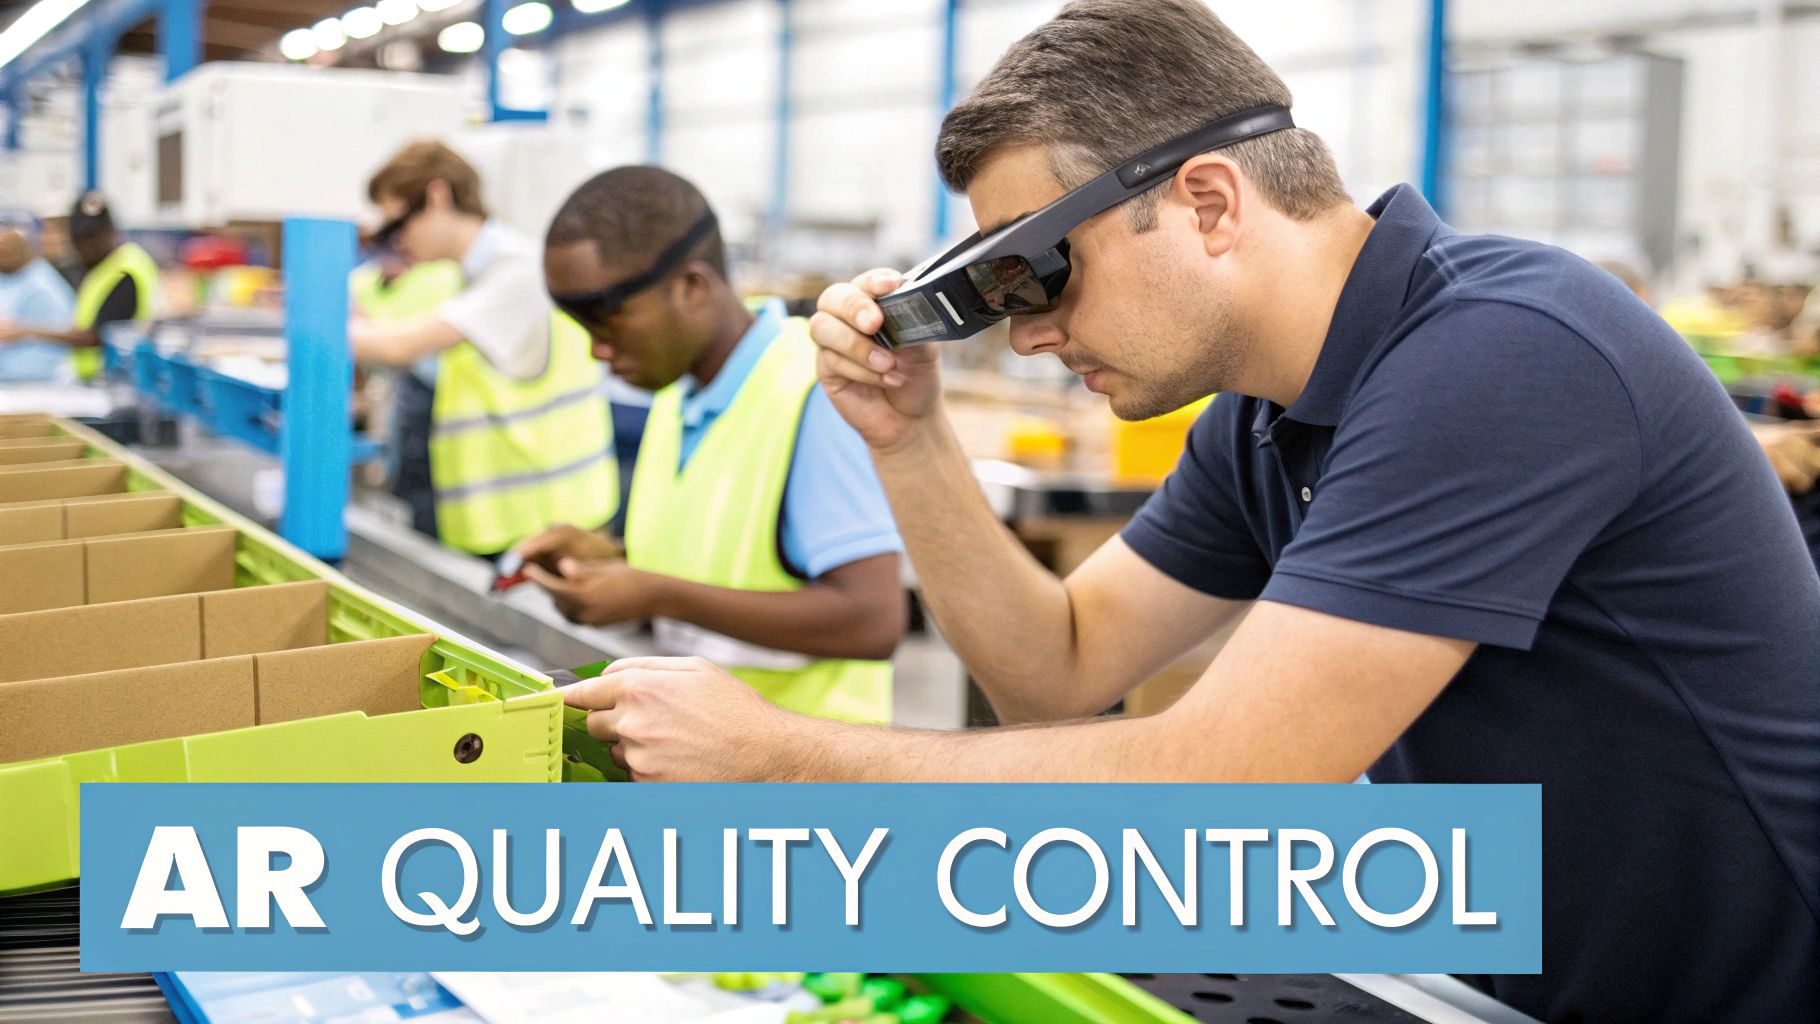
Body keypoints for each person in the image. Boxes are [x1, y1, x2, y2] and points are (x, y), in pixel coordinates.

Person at [556, 3, 1820, 1021]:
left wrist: (790, 759)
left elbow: (1226, 773)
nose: (1035, 331)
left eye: (1042, 270)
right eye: (995, 292)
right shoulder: (1266, 413)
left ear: (1209, 201)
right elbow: (1057, 670)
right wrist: (909, 437)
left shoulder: (1501, 351)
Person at [517, 166, 905, 724]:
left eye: (609, 323)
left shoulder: (815, 391)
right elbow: (729, 556)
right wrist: (607, 561)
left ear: (692, 287)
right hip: (708, 756)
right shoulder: (680, 391)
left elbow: (872, 620)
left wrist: (654, 593)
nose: (597, 352)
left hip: (808, 775)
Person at [351, 141, 616, 557]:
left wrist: (313, 327)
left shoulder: (518, 271)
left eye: (397, 225)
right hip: (512, 527)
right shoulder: (470, 275)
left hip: (548, 528)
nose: (396, 242)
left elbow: (402, 346)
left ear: (437, 197)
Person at [0, 194, 157, 381]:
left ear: (111, 233)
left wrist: (23, 331)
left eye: (92, 237)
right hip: (93, 377)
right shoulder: (99, 267)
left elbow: (97, 337)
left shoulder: (125, 271)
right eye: (79, 238)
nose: (86, 246)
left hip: (117, 378)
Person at [0, 221, 77, 381]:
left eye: (7, 246)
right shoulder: (10, 277)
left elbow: (65, 335)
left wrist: (17, 331)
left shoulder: (44, 286)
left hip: (38, 382)